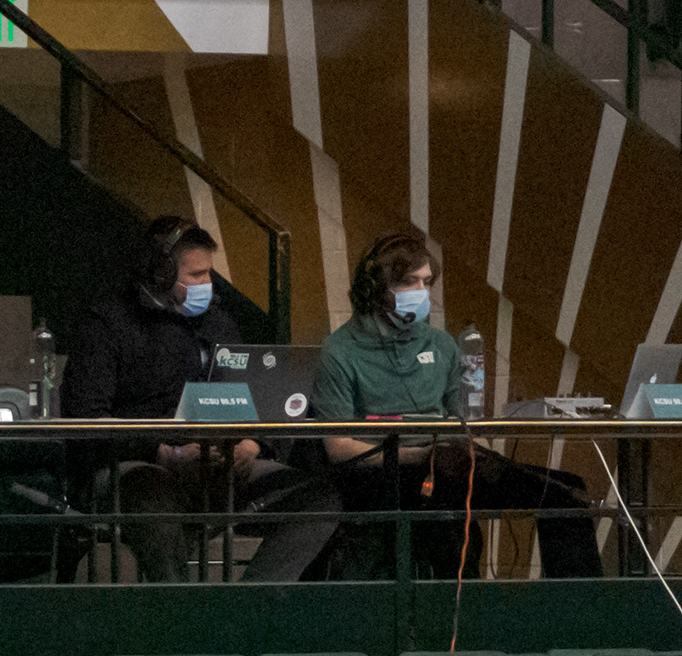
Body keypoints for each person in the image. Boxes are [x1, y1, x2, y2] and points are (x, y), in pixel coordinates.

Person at [245, 225, 602, 581]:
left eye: (427, 282)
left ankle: (580, 622)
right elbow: (338, 449)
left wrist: (464, 450)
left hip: (444, 466)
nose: (422, 291)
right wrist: (419, 456)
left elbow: (460, 421)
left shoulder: (443, 344)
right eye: (410, 282)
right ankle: (458, 610)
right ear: (378, 288)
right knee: (446, 516)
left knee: (566, 494)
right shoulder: (339, 351)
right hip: (378, 476)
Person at [61, 215, 277, 583]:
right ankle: (180, 623)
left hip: (218, 465)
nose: (208, 284)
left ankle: (256, 605)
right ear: (161, 274)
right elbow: (85, 420)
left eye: (210, 273)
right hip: (132, 467)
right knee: (156, 498)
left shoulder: (219, 324)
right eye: (197, 275)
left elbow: (258, 396)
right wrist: (163, 452)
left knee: (316, 498)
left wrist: (253, 444)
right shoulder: (107, 324)